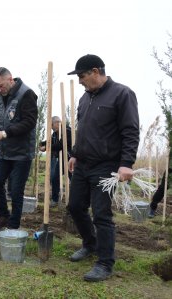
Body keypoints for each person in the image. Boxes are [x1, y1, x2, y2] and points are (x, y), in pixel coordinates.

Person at [66, 54, 140, 282]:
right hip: (83, 163)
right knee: (75, 206)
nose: (79, 81)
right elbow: (84, 130)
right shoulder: (84, 99)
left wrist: (126, 164)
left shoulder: (122, 94)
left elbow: (130, 131)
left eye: (82, 76)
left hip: (106, 165)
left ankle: (105, 263)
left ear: (96, 71)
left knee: (101, 214)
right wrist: (74, 154)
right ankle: (90, 244)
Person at [0, 67, 38, 230]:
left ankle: (13, 226)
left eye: (1, 85)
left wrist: (4, 134)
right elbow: (1, 118)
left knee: (16, 191)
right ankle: (3, 216)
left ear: (10, 79)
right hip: (5, 152)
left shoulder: (27, 94)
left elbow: (29, 122)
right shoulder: (2, 95)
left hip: (22, 152)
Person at [39, 116, 72, 207]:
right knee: (55, 178)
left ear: (57, 123)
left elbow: (61, 145)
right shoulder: (55, 133)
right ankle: (55, 199)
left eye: (52, 125)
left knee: (74, 180)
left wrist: (47, 148)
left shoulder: (67, 131)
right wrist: (42, 144)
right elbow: (50, 141)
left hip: (71, 159)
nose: (51, 127)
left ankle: (75, 201)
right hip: (62, 160)